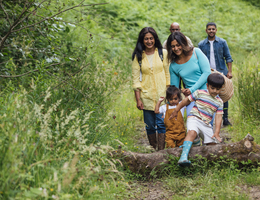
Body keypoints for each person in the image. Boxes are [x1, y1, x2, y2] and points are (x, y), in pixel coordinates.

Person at [169, 73, 224, 167]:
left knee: (212, 144)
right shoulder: (199, 92)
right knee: (192, 133)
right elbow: (186, 101)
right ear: (207, 85)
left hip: (206, 124)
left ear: (221, 88)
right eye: (213, 88)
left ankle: (200, 149)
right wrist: (176, 110)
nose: (215, 91)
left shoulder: (219, 102)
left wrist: (217, 132)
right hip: (194, 118)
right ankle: (183, 157)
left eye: (218, 89)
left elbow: (219, 117)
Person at [132, 27, 170, 150]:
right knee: (149, 126)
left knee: (162, 124)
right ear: (142, 40)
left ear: (155, 39)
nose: (149, 41)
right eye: (146, 39)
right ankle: (154, 149)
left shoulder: (162, 53)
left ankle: (161, 151)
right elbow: (135, 79)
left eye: (151, 38)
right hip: (146, 96)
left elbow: (167, 73)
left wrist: (168, 92)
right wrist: (138, 99)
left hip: (162, 95)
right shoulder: (138, 56)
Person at [166, 31, 211, 117]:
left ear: (183, 44)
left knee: (206, 126)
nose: (176, 48)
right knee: (191, 126)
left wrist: (192, 89)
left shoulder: (196, 52)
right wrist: (181, 91)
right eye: (173, 46)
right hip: (191, 98)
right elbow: (174, 89)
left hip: (206, 94)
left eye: (178, 45)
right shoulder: (173, 66)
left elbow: (207, 73)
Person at [198, 22, 233, 126]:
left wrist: (229, 71)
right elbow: (198, 60)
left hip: (221, 72)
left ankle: (225, 118)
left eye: (213, 29)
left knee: (223, 95)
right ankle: (208, 118)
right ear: (206, 31)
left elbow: (228, 57)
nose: (211, 31)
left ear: (216, 30)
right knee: (209, 94)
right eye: (209, 29)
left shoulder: (222, 42)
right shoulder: (201, 44)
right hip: (208, 73)